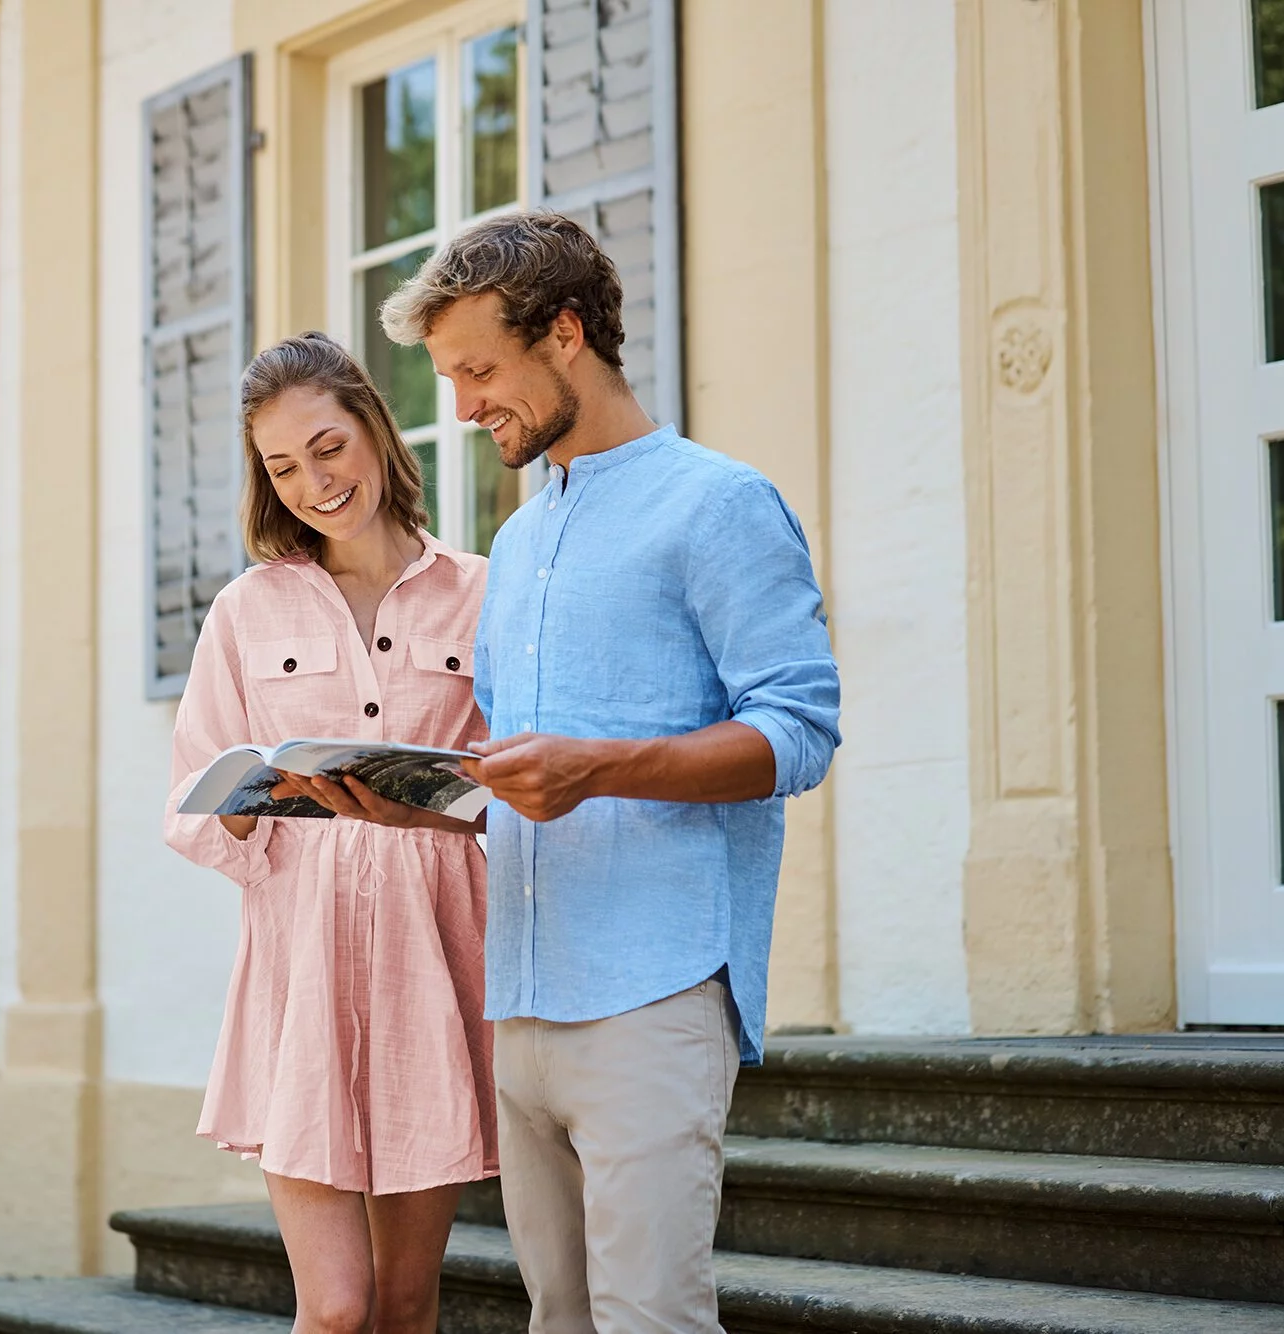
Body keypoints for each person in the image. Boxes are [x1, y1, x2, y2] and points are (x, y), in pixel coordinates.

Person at [378, 212, 842, 1333]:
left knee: (651, 1320)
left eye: (480, 368)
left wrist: (600, 766)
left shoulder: (719, 503)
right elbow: (515, 775)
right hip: (522, 992)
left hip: (654, 985)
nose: (462, 403)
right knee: (560, 1321)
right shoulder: (525, 539)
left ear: (568, 333)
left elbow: (797, 733)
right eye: (447, 376)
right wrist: (407, 800)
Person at [162, 332, 498, 1334]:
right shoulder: (244, 611)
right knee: (338, 1305)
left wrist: (448, 796)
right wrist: (236, 801)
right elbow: (191, 792)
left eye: (327, 447)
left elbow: (515, 786)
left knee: (403, 1300)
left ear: (373, 432)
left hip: (428, 965)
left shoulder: (482, 592)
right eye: (282, 466)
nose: (312, 481)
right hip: (297, 970)